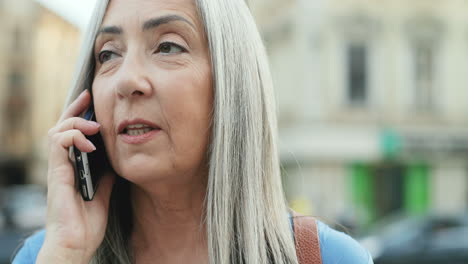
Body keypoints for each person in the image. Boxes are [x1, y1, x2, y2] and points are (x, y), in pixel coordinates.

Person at [12, 0, 373, 263]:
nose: (127, 81)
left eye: (168, 46)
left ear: (232, 85)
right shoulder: (45, 255)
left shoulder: (331, 258)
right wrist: (66, 253)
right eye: (108, 54)